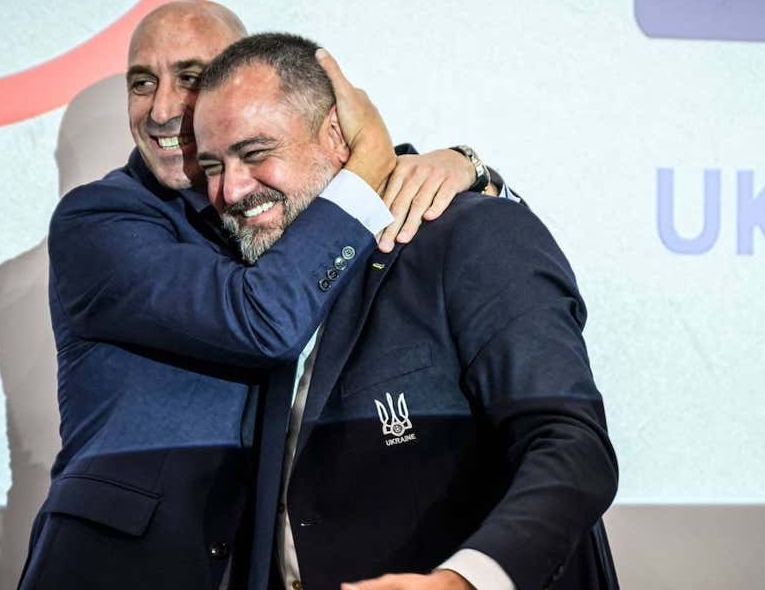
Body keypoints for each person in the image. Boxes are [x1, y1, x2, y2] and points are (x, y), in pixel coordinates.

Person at [18, 0, 507, 590]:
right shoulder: (99, 221)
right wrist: (373, 156)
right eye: (142, 83)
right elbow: (262, 319)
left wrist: (466, 167)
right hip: (118, 569)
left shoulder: (289, 204)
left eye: (192, 78)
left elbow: (406, 208)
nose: (163, 108)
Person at [194, 34, 619, 590]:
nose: (231, 188)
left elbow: (571, 444)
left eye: (254, 154)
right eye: (211, 165)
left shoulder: (470, 233)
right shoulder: (249, 284)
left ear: (336, 135)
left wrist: (464, 581)